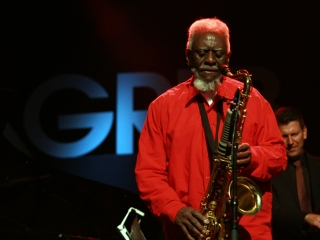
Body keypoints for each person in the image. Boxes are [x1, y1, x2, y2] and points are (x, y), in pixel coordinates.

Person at [135, 17, 287, 240]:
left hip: (247, 232)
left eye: (217, 54)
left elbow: (279, 155)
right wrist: (174, 210)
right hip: (189, 233)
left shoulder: (253, 99)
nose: (209, 60)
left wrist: (253, 157)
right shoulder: (162, 107)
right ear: (188, 56)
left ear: (228, 57)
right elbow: (149, 174)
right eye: (201, 52)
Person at [272, 106, 320, 240]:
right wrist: (305, 218)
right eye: (284, 136)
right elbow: (272, 211)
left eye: (294, 134)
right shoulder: (270, 172)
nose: (290, 142)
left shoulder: (317, 165)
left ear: (304, 132)